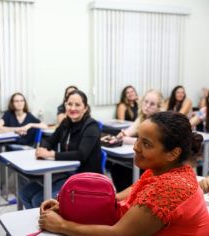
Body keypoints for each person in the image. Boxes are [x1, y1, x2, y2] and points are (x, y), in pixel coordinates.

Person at [39, 111, 209, 235]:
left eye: (146, 144)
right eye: (138, 139)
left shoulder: (169, 186)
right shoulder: (162, 171)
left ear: (173, 153)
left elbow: (119, 234)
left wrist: (62, 226)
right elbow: (115, 202)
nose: (135, 147)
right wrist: (71, 208)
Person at [20, 90, 102, 209]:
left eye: (77, 105)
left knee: (40, 200)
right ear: (65, 105)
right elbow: (50, 140)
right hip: (66, 174)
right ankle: (40, 222)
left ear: (85, 108)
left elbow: (81, 155)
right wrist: (41, 148)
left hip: (84, 178)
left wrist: (52, 154)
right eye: (69, 104)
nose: (73, 108)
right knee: (25, 193)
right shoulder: (66, 122)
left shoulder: (91, 126)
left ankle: (46, 224)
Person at [111, 89, 163, 191]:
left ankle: (132, 198)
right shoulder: (142, 117)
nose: (147, 106)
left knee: (125, 170)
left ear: (158, 108)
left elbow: (146, 143)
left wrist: (125, 139)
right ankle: (125, 199)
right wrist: (121, 135)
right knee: (117, 167)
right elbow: (129, 131)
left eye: (152, 104)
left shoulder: (159, 123)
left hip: (154, 162)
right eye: (146, 102)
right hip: (143, 156)